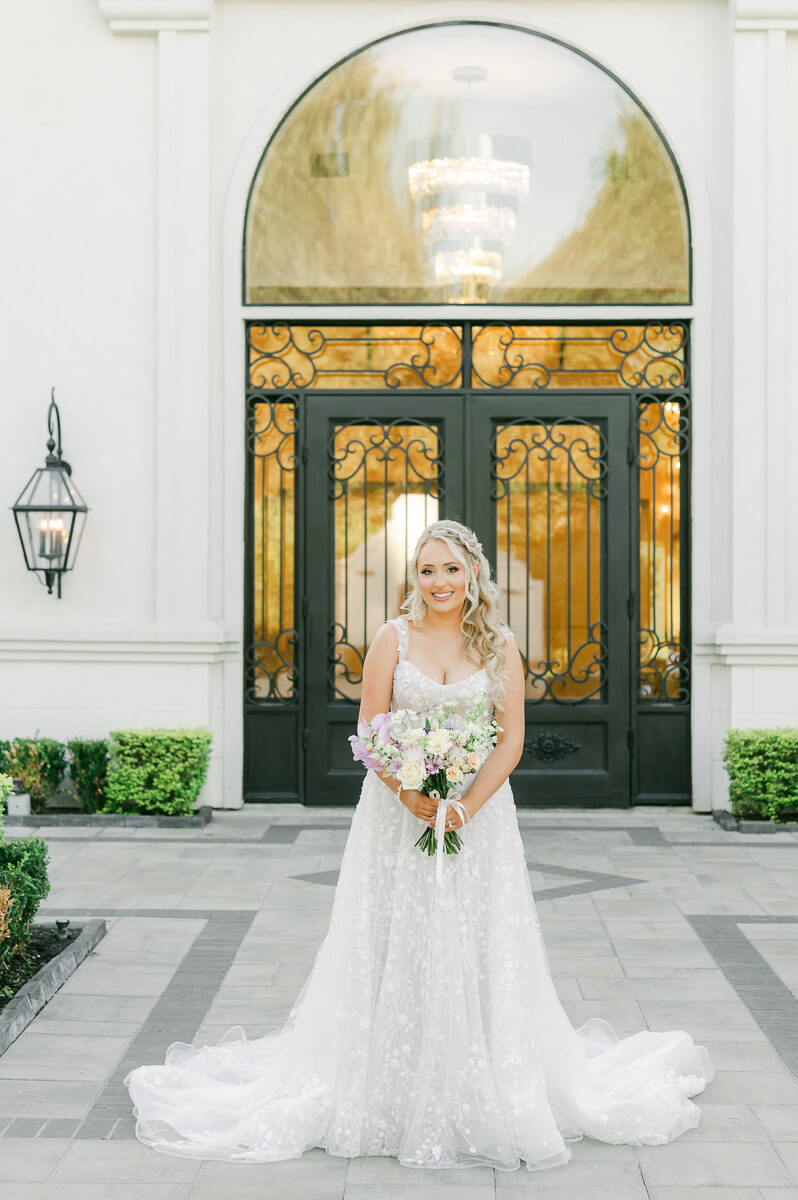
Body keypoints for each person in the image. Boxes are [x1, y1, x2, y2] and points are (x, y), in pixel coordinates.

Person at [125, 518, 714, 1170]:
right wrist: (410, 795)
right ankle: (387, 1078)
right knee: (395, 932)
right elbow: (371, 727)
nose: (439, 582)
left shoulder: (499, 647)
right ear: (415, 577)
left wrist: (464, 806)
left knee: (476, 936)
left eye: (451, 570)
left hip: (478, 819)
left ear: (474, 575)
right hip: (397, 815)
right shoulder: (391, 638)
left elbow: (511, 739)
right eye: (427, 570)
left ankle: (482, 1071)